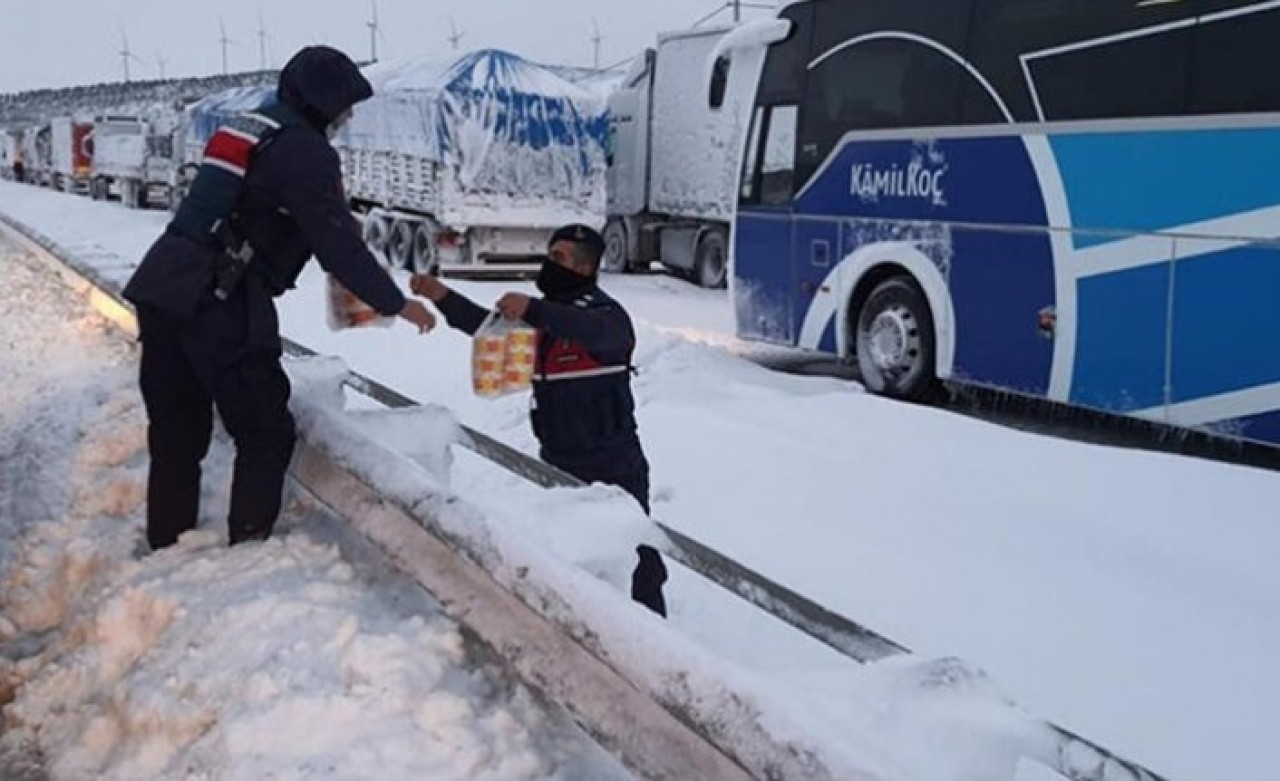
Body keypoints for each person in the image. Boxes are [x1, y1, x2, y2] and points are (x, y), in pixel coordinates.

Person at [122, 46, 437, 551]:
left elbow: (250, 205)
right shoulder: (304, 148)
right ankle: (249, 550)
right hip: (217, 296)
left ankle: (168, 542)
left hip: (163, 282)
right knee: (265, 430)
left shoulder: (250, 126)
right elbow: (337, 243)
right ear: (321, 101)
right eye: (343, 105)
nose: (347, 116)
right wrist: (396, 302)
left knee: (177, 434)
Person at [410, 225, 669, 617]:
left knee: (638, 563)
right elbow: (486, 328)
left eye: (560, 258)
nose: (550, 265)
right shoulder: (543, 323)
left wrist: (534, 308)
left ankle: (656, 641)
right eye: (550, 256)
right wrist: (440, 295)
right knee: (571, 560)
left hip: (614, 465)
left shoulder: (605, 317)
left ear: (585, 268)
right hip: (557, 462)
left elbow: (591, 331)